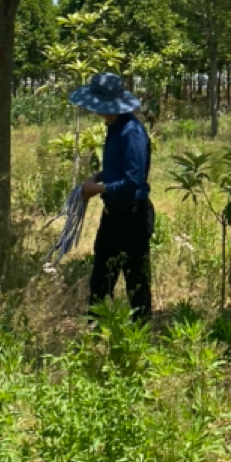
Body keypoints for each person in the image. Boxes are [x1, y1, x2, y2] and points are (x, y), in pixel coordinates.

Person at [71, 71, 154, 321]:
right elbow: (118, 169)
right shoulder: (114, 127)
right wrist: (98, 177)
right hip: (113, 215)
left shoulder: (131, 132)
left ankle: (140, 334)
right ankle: (96, 331)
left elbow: (133, 180)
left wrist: (95, 190)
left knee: (135, 280)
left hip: (132, 216)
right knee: (101, 277)